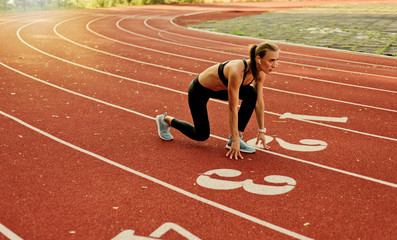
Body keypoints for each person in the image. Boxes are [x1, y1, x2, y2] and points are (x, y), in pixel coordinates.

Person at [156, 42, 279, 159]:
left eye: (276, 60)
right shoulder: (237, 71)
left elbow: (258, 101)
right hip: (199, 90)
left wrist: (261, 131)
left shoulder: (259, 72)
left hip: (219, 89)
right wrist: (235, 141)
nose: (275, 65)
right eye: (271, 60)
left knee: (253, 94)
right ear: (258, 59)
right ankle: (165, 120)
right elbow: (232, 108)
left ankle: (236, 137)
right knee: (201, 135)